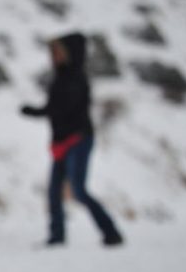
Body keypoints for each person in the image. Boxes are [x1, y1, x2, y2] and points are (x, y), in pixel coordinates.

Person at [21, 32, 123, 247]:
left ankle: (111, 232)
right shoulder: (60, 77)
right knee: (54, 192)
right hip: (61, 143)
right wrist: (34, 111)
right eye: (53, 52)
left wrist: (44, 112)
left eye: (58, 52)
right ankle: (57, 236)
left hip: (78, 140)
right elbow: (54, 109)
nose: (54, 56)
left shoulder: (76, 78)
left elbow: (64, 109)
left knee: (78, 190)